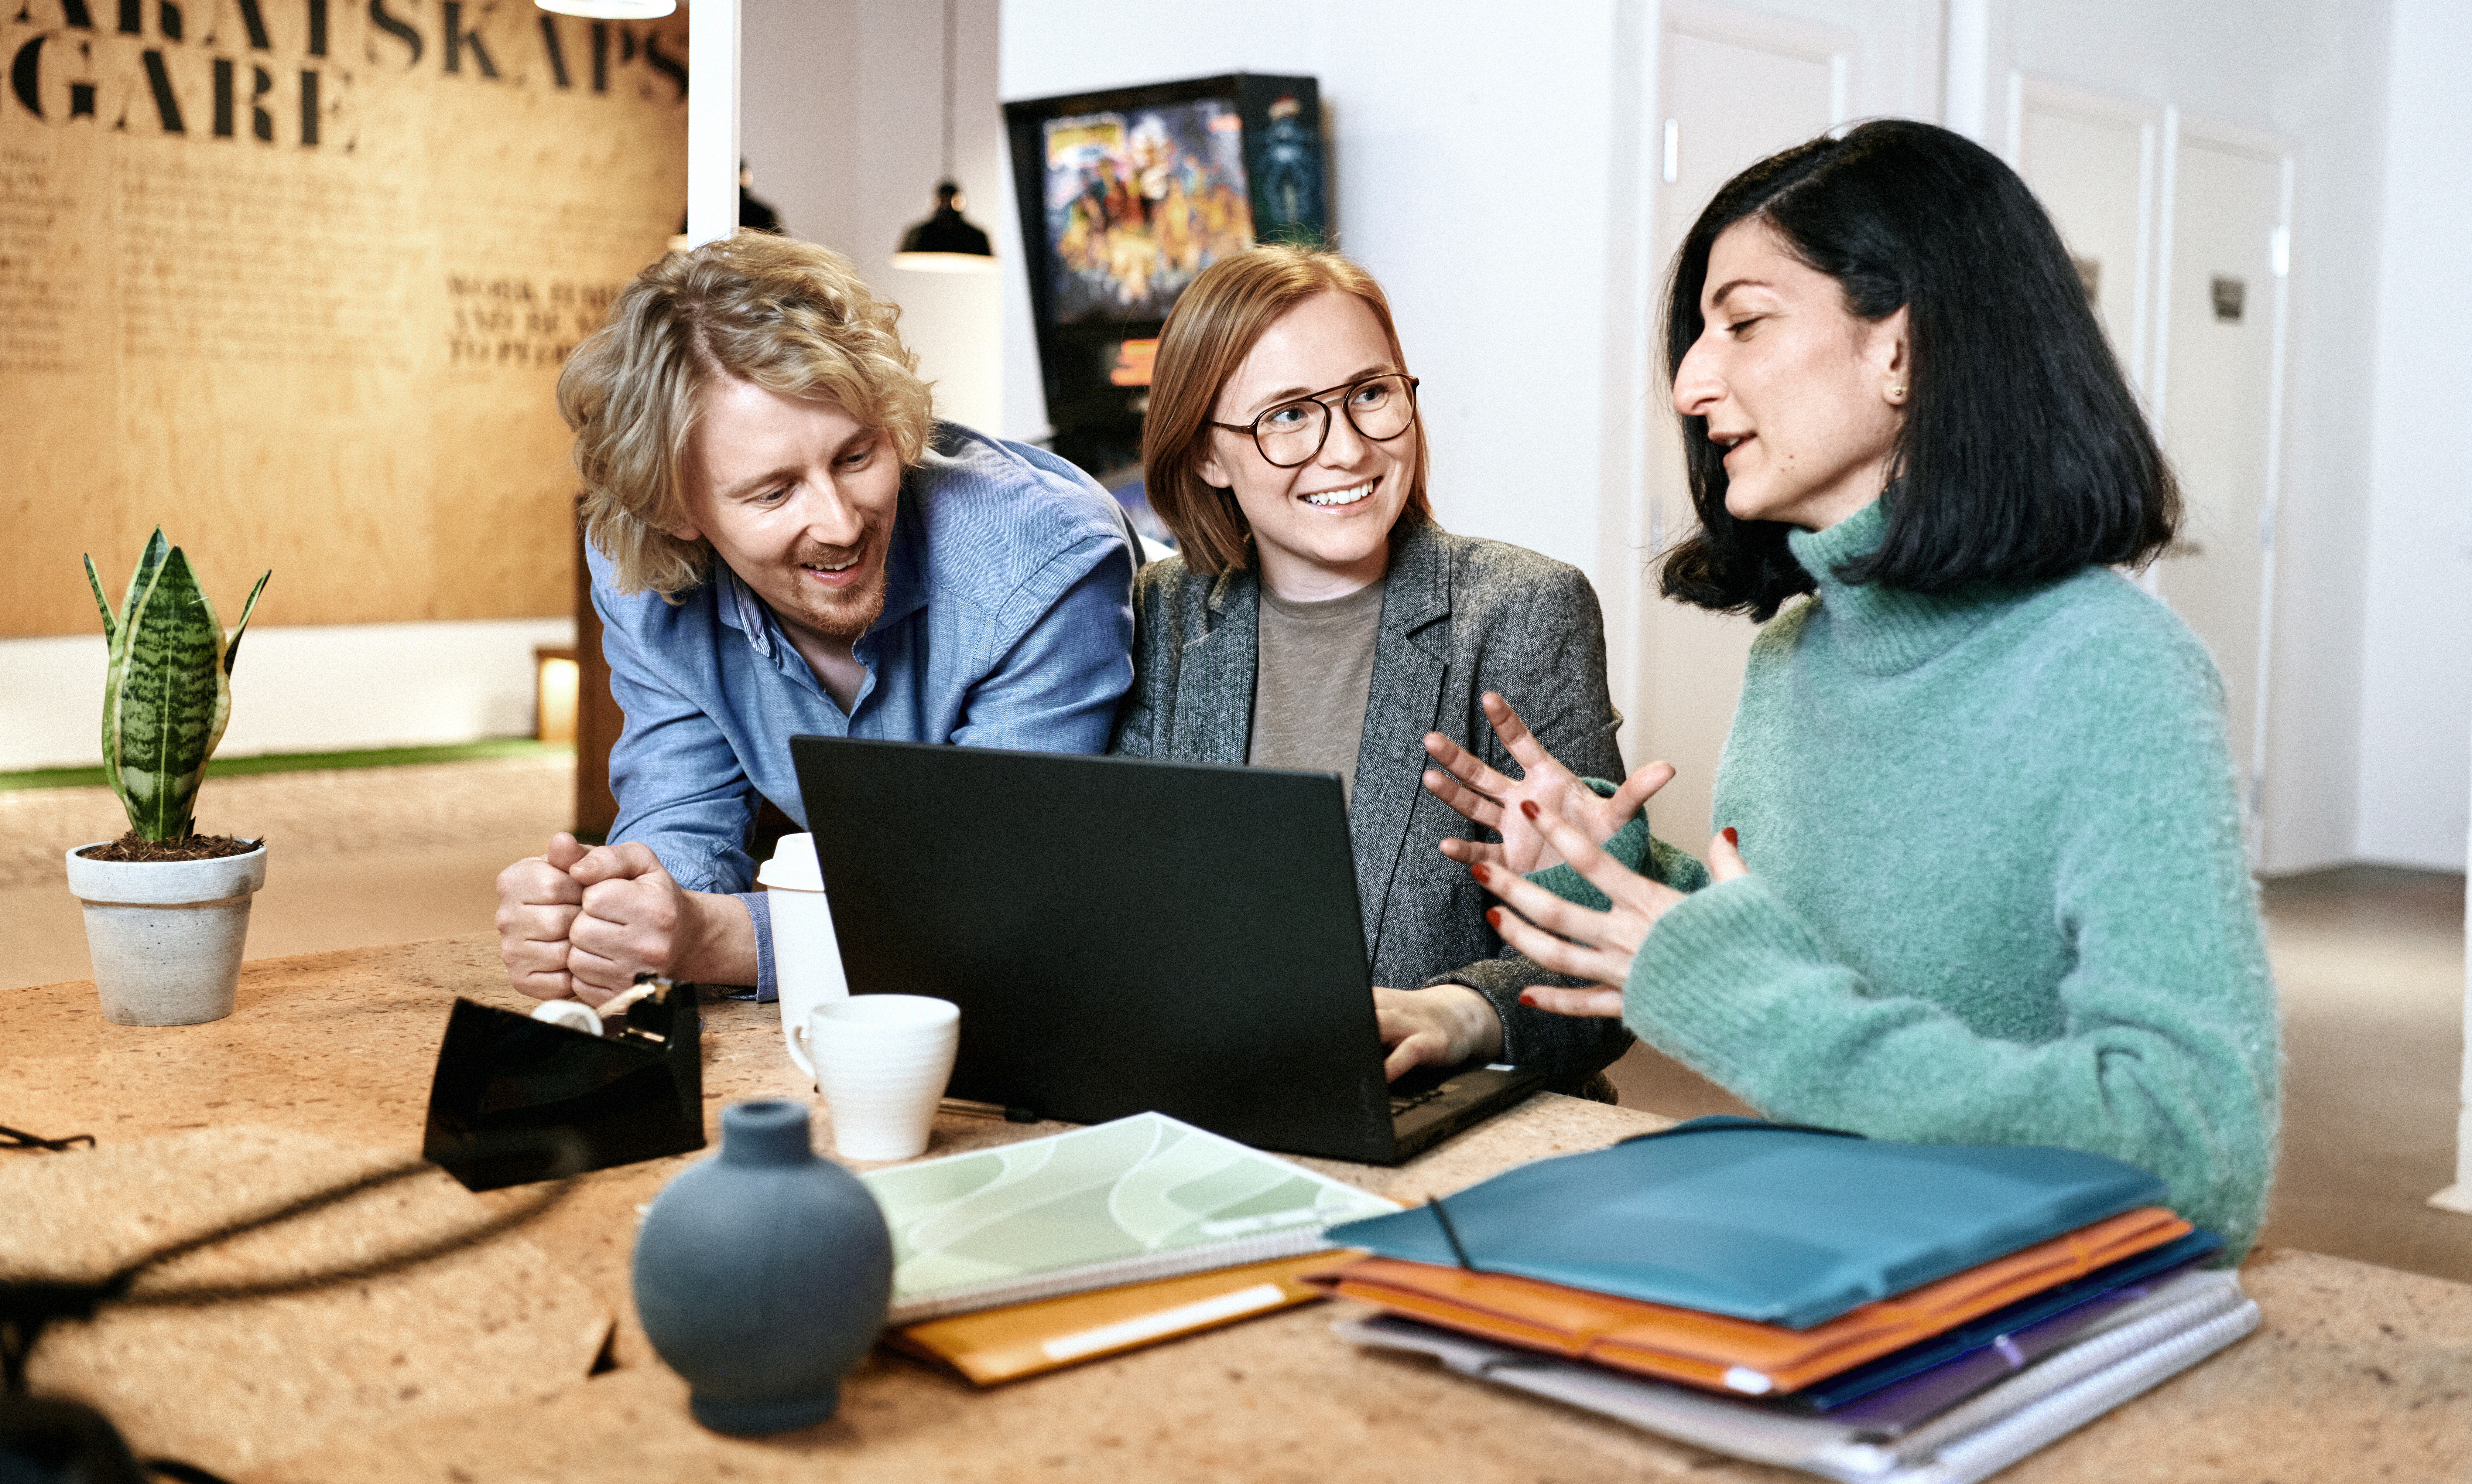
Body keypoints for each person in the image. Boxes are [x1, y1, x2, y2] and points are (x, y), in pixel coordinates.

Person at [1425, 119, 2281, 1251]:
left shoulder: (2108, 669)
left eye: (1741, 323)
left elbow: (2195, 1150)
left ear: (1900, 350)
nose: (1687, 383)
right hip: (1826, 1244)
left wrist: (1743, 997)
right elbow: (1815, 961)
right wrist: (1606, 870)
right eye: (1694, 337)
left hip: (2002, 1289)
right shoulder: (1797, 653)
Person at [497, 233, 1137, 1005]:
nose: (839, 523)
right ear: (674, 511)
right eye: (773, 493)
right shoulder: (641, 576)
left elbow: (996, 902)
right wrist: (615, 917)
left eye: (857, 456)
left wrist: (715, 940)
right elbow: (680, 821)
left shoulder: (1044, 562)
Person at [1111, 245, 1665, 1094]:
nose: (1347, 450)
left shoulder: (1523, 609)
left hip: (1458, 1130)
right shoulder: (1160, 612)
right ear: (1207, 456)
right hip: (1213, 1103)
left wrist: (1460, 1014)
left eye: (1370, 395)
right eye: (1288, 415)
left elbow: (1604, 971)